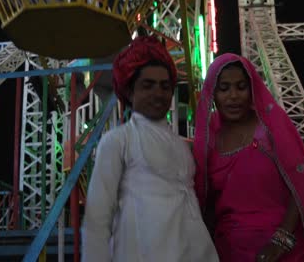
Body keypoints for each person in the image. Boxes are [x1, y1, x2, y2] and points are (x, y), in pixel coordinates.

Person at [82, 35, 219, 262]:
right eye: (148, 85)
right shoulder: (117, 142)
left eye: (165, 86)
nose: (158, 93)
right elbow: (97, 222)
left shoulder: (182, 147)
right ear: (129, 91)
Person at [193, 53, 304, 262]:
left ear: (252, 89)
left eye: (241, 87)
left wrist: (281, 241)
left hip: (284, 250)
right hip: (228, 250)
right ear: (212, 94)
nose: (233, 96)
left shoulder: (270, 126)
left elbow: (301, 184)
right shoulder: (208, 136)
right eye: (224, 89)